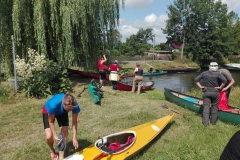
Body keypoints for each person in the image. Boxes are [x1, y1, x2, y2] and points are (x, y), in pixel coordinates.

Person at [42, 93, 80, 160]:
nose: (70, 110)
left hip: (62, 112)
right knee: (49, 136)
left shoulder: (74, 105)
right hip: (48, 111)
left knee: (65, 134)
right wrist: (55, 135)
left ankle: (61, 157)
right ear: (63, 103)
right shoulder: (53, 105)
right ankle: (52, 150)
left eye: (71, 109)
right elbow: (51, 122)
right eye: (68, 109)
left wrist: (74, 137)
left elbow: (74, 122)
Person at [194, 62, 227, 126]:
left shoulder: (204, 73)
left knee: (206, 107)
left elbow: (196, 80)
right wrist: (220, 87)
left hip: (206, 91)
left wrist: (200, 87)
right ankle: (213, 122)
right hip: (215, 92)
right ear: (217, 67)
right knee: (214, 107)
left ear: (210, 66)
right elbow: (225, 81)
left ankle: (205, 123)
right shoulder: (218, 74)